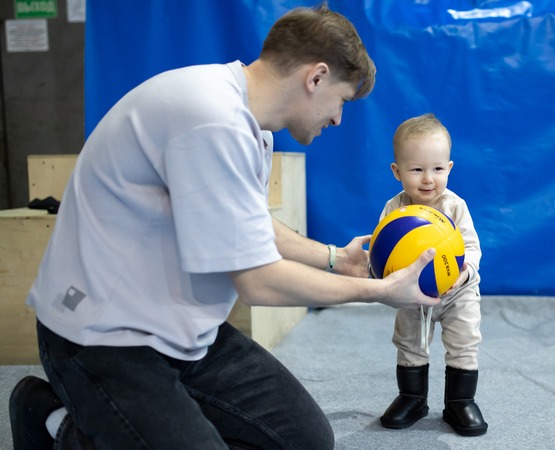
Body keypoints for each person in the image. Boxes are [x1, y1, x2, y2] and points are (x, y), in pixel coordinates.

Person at [9, 4, 440, 449]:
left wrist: (337, 259)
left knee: (303, 441)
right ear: (315, 78)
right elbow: (258, 281)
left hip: (181, 332)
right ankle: (52, 422)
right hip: (101, 337)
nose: (337, 118)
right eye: (342, 101)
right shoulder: (210, 117)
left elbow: (248, 225)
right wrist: (380, 293)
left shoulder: (251, 122)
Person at [376, 113, 487, 436]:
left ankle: (460, 402)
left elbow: (472, 248)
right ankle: (412, 398)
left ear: (449, 169)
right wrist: (380, 273)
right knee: (409, 343)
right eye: (416, 169)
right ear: (397, 172)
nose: (428, 179)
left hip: (458, 292)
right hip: (410, 294)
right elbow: (383, 251)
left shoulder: (455, 206)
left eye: (438, 169)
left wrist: (464, 274)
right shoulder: (394, 211)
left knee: (464, 341)